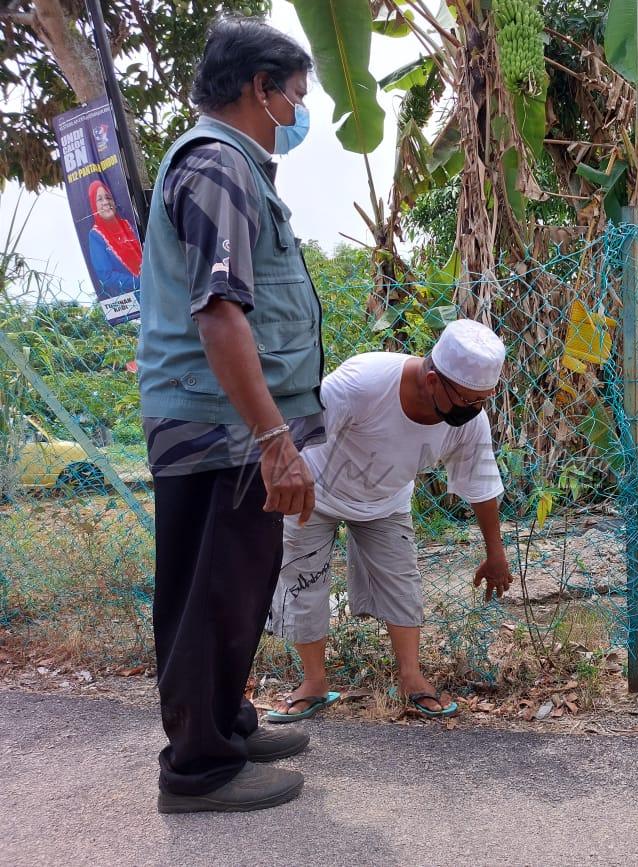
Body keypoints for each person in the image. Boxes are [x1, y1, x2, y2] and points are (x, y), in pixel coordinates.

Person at [136, 17, 324, 814]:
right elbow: (219, 315)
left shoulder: (233, 167)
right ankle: (199, 768)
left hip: (231, 427)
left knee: (237, 585)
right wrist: (274, 437)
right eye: (297, 94)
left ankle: (226, 724)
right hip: (223, 428)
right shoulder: (217, 166)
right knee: (213, 590)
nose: (299, 108)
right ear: (261, 88)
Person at [266, 320, 513, 722]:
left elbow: (481, 485)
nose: (476, 410)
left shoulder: (469, 419)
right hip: (316, 490)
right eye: (469, 400)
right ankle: (313, 684)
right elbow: (296, 433)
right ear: (433, 380)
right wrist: (282, 483)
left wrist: (495, 553)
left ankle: (411, 679)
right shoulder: (363, 382)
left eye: (483, 400)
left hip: (385, 501)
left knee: (403, 585)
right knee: (303, 580)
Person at [86, 179, 142, 295]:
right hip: (133, 297)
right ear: (93, 205)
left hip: (157, 287)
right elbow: (107, 277)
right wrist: (141, 282)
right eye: (100, 199)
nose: (106, 202)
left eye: (108, 197)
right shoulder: (96, 235)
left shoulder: (127, 225)